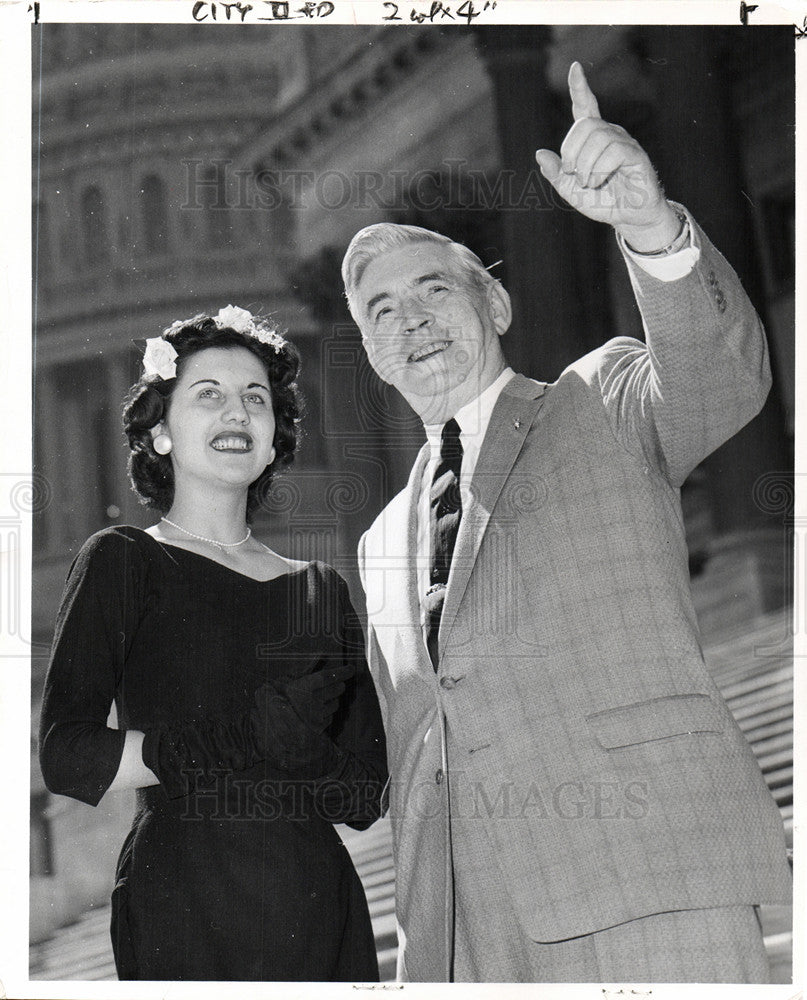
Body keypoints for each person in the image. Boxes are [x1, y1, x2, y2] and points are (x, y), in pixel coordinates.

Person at [342, 63, 791, 982]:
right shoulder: (380, 537)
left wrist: (646, 224)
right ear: (372, 355)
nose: (411, 322)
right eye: (381, 312)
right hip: (470, 931)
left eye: (433, 290)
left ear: (495, 303)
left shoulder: (603, 396)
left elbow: (722, 378)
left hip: (646, 876)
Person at [38, 306, 388, 982]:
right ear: (161, 434)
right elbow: (67, 755)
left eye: (255, 397)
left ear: (272, 435)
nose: (237, 412)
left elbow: (363, 799)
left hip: (318, 910)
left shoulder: (319, 589)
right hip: (184, 905)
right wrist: (237, 740)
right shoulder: (122, 561)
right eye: (209, 395)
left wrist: (303, 749)